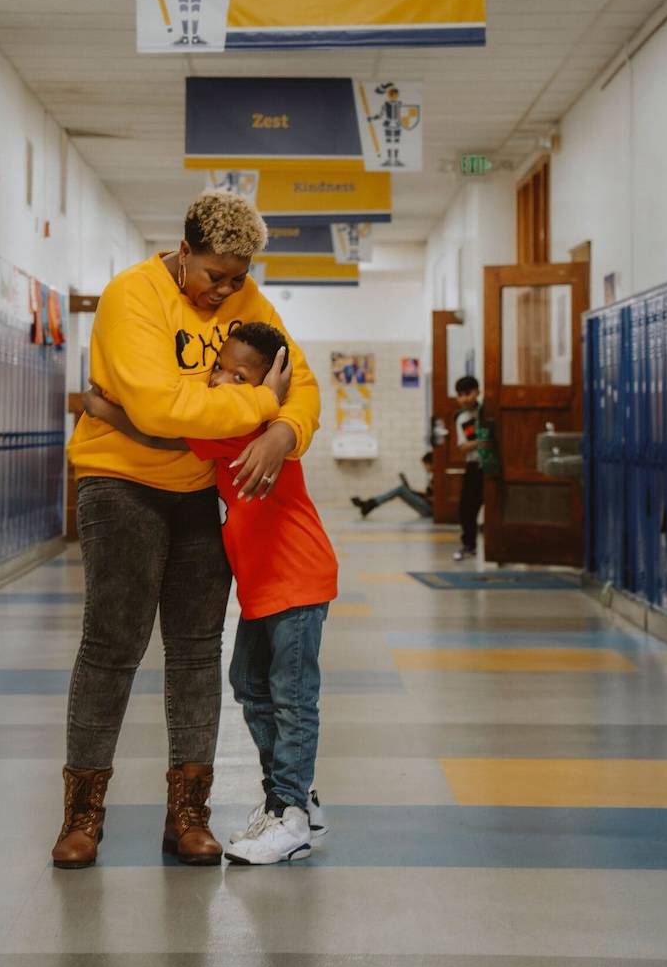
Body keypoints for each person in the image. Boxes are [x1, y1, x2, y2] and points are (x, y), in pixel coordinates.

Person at [52, 192, 320, 871]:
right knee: (113, 644)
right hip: (120, 483)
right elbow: (159, 403)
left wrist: (284, 432)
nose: (227, 290)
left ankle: (188, 813)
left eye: (238, 277)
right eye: (214, 276)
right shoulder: (130, 296)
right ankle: (83, 813)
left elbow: (305, 383)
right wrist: (260, 403)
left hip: (202, 493)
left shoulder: (249, 302)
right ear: (183, 249)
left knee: (198, 649)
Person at [84, 321, 337, 866]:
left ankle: (290, 811)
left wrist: (101, 410)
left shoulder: (253, 423)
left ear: (268, 383)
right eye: (219, 365)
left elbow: (165, 433)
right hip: (265, 585)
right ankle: (296, 802)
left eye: (237, 375)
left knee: (292, 698)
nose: (220, 379)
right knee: (248, 681)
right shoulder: (238, 418)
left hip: (295, 579)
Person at [452, 376, 483, 561]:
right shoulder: (461, 418)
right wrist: (481, 442)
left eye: (468, 393)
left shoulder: (486, 410)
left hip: (492, 465)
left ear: (477, 392)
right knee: (466, 508)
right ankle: (469, 545)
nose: (464, 399)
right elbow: (462, 446)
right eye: (460, 395)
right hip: (473, 465)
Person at [351, 451, 434, 519]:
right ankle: (370, 504)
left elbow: (434, 499)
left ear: (432, 464)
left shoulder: (438, 479)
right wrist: (415, 493)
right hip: (427, 506)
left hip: (429, 510)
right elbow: (429, 494)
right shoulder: (434, 478)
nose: (425, 468)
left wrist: (424, 497)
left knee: (401, 489)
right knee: (402, 489)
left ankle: (370, 504)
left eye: (426, 465)